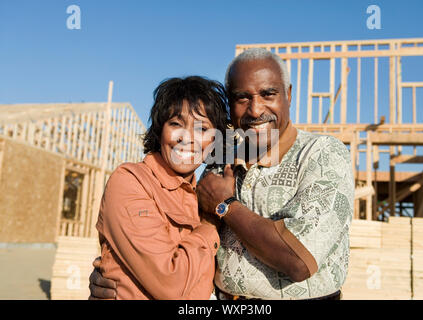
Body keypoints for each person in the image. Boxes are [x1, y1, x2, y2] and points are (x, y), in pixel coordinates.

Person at [89, 48, 354, 300]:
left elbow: (298, 261)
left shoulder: (320, 154)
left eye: (268, 94)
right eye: (242, 98)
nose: (256, 109)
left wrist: (225, 206)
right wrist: (117, 270)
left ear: (289, 95)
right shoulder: (220, 160)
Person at [91, 76, 230, 299]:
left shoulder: (202, 194)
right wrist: (210, 222)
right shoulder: (131, 181)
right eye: (176, 124)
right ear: (159, 130)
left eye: (202, 129)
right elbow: (170, 284)